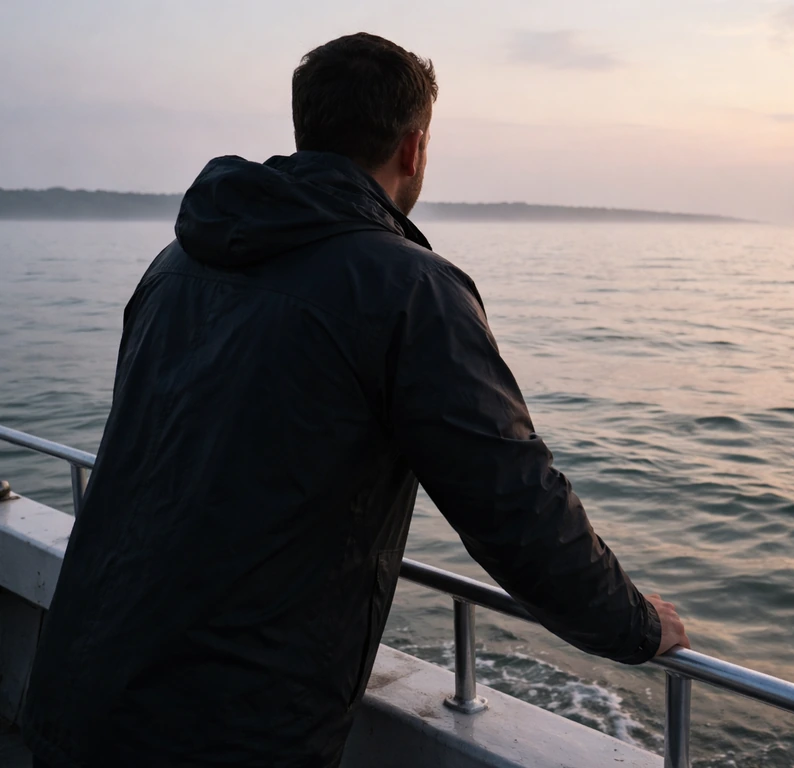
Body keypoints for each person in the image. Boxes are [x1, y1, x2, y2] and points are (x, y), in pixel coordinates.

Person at [23, 32, 688, 768]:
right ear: (415, 147)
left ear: (307, 130)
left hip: (75, 683)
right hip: (223, 731)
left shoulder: (176, 263)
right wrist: (634, 624)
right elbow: (515, 505)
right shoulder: (410, 290)